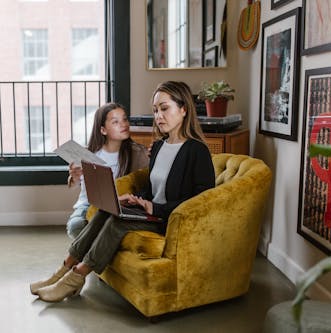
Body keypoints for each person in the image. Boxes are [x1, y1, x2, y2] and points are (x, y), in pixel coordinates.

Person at [29, 81, 215, 302]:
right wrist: (136, 199)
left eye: (164, 108)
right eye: (155, 110)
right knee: (107, 210)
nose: (158, 116)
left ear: (183, 109)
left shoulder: (197, 151)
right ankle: (62, 271)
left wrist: (154, 207)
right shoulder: (158, 147)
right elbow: (154, 188)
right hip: (151, 211)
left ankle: (75, 279)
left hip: (169, 217)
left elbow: (203, 201)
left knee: (118, 222)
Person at [65, 103, 148, 239]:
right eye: (116, 122)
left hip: (118, 205)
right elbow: (74, 185)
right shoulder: (89, 154)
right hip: (87, 204)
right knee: (76, 227)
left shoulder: (138, 153)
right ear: (103, 130)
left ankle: (85, 257)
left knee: (108, 228)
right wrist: (73, 178)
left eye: (125, 119)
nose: (123, 124)